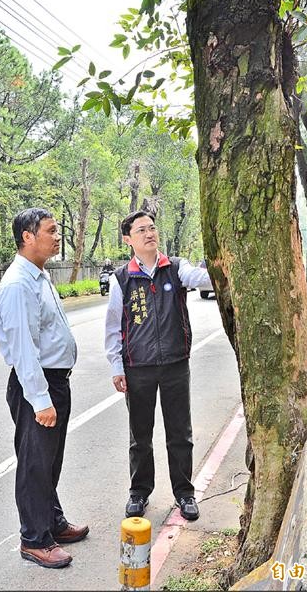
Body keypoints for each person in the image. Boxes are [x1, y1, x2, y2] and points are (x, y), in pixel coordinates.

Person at [0, 207, 89, 569]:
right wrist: (40, 400)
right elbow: (23, 351)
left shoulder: (39, 275)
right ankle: (34, 540)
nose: (57, 235)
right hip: (37, 385)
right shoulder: (18, 284)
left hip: (53, 382)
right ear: (27, 237)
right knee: (35, 464)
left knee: (51, 460)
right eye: (50, 230)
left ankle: (52, 521)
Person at [104, 210, 212, 521]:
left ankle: (184, 493)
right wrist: (116, 365)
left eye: (152, 228)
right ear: (128, 240)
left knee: (180, 432)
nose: (150, 233)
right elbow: (114, 327)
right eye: (141, 230)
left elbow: (200, 277)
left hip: (175, 364)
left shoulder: (176, 268)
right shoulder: (122, 278)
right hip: (138, 368)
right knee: (140, 435)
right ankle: (139, 492)